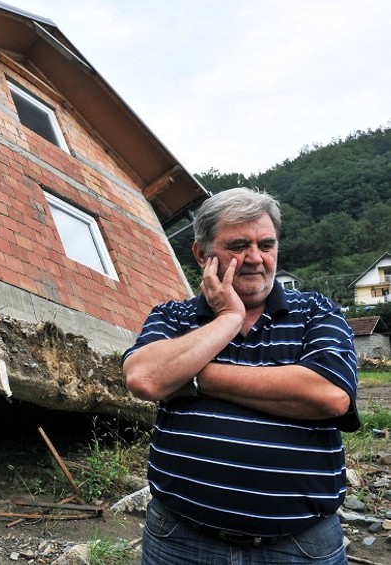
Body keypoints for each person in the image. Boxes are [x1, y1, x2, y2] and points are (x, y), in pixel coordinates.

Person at [122, 187, 359, 564]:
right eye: (238, 245)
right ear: (202, 254)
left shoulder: (316, 311)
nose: (255, 258)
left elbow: (329, 395)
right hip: (180, 541)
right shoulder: (173, 316)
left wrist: (194, 380)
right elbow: (145, 378)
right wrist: (228, 318)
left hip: (298, 547)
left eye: (266, 244)